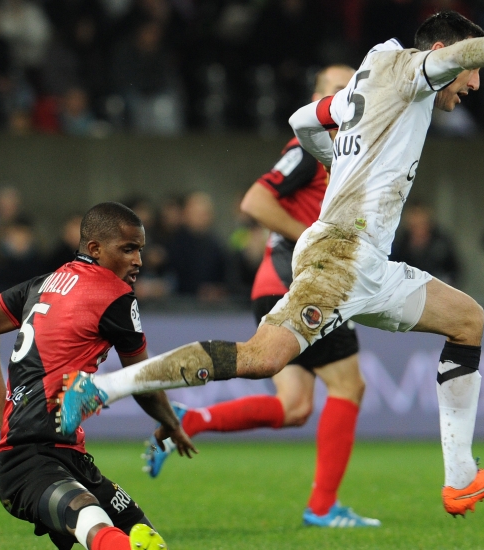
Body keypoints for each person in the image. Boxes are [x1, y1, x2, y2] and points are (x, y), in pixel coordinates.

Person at [57, 12, 484, 517]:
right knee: (261, 359)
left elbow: (304, 119)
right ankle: (102, 389)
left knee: (467, 320)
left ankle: (460, 477)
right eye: (470, 73)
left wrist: (341, 163)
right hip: (341, 256)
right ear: (441, 52)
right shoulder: (413, 69)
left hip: (367, 259)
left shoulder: (368, 80)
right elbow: (461, 58)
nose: (474, 86)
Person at [144, 64, 380, 528]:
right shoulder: (310, 146)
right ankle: (322, 508)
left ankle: (192, 421)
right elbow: (255, 201)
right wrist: (311, 239)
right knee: (349, 385)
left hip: (283, 284)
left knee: (294, 408)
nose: (344, 97)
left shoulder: (346, 153)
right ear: (317, 98)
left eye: (352, 89)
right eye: (334, 90)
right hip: (298, 281)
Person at [0, 202, 196, 550]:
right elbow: (143, 379)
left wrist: (5, 416)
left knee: (141, 534)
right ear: (95, 249)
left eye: (141, 250)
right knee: (93, 520)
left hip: (69, 458)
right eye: (129, 249)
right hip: (29, 462)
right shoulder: (116, 295)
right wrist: (170, 423)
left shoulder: (44, 283)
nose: (139, 261)